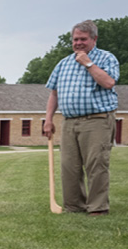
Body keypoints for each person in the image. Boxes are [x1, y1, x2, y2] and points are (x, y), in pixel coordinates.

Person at [44, 20, 119, 216]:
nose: (78, 43)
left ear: (94, 39)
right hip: (69, 122)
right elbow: (54, 94)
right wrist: (49, 119)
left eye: (83, 39)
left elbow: (109, 82)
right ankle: (74, 206)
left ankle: (97, 208)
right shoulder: (63, 63)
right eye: (75, 39)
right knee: (69, 167)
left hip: (97, 121)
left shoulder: (106, 58)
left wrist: (88, 63)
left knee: (96, 164)